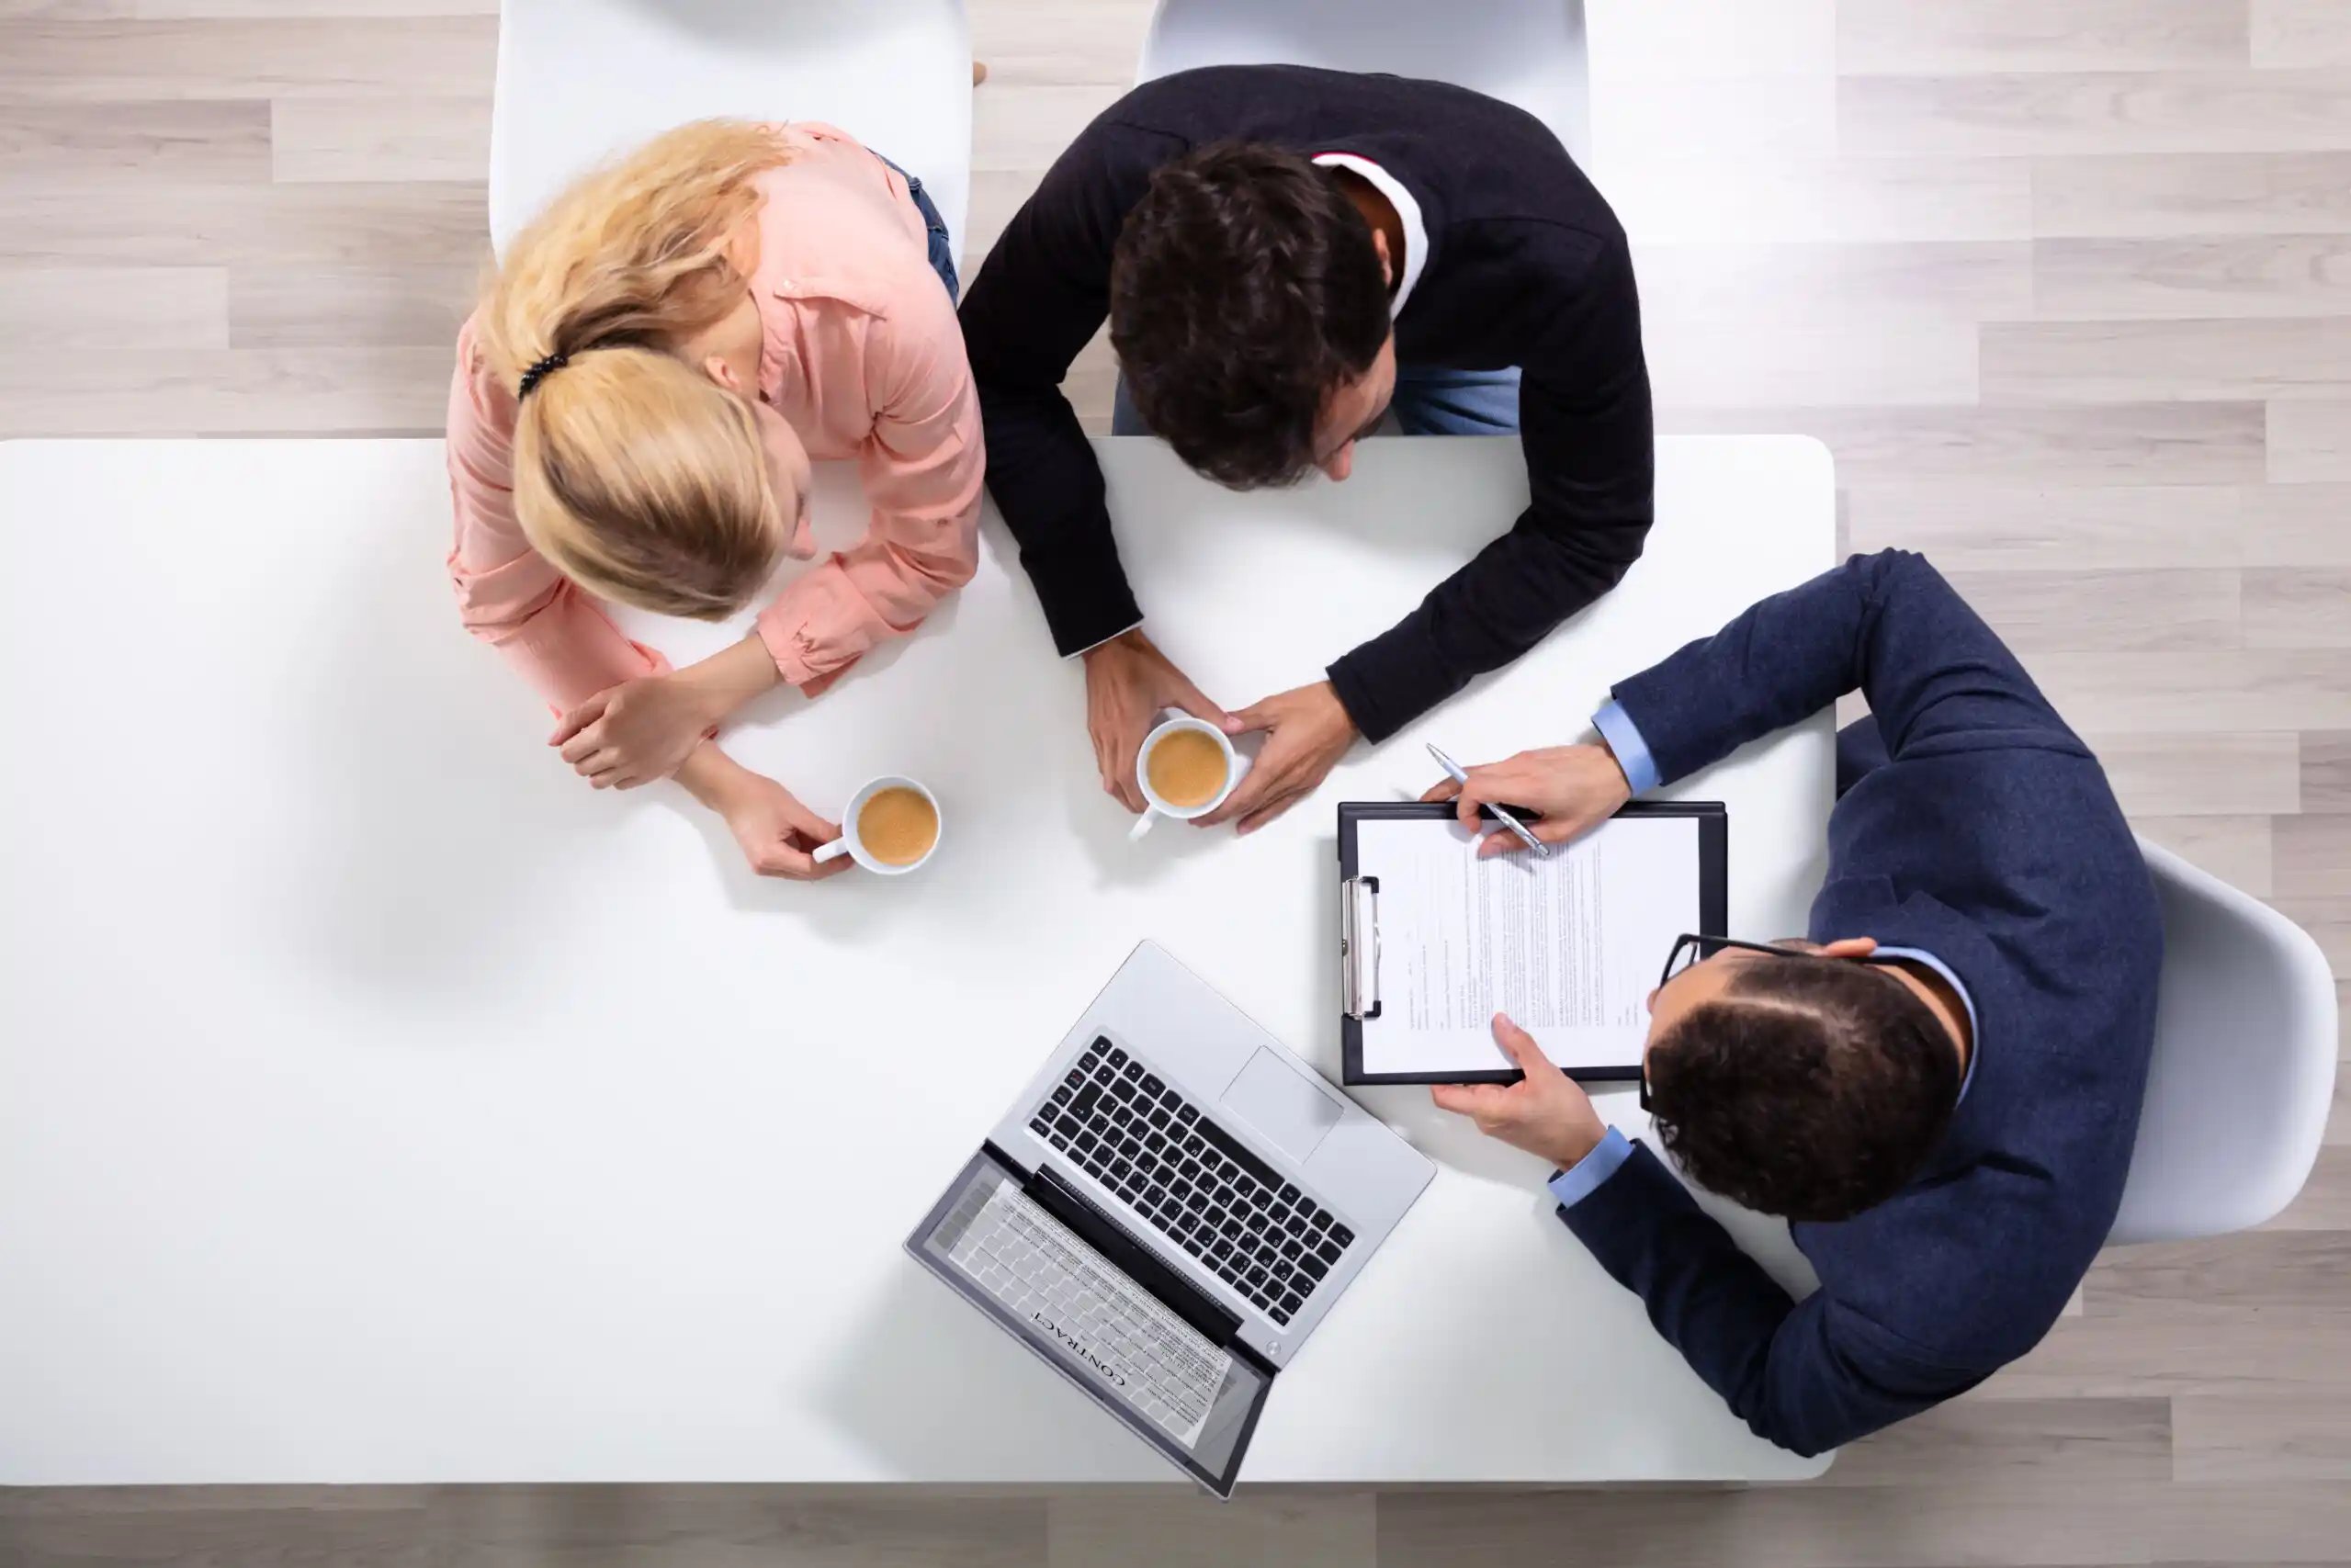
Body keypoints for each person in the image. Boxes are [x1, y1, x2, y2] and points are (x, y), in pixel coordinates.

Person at [1421, 549, 2163, 1455]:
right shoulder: (2018, 800)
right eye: (1696, 967)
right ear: (1847, 951)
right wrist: (1616, 760)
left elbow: (1781, 1396)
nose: (1651, 994)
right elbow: (1886, 596)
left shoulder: (1947, 1307)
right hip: (1930, 821)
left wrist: (1587, 1155)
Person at [959, 65, 1653, 833]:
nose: (1344, 472)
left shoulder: (1562, 258)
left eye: (1345, 432)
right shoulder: (1126, 171)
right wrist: (1100, 626)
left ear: (1380, 262)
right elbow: (989, 375)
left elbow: (1595, 528)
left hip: (1480, 316)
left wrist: (1358, 698)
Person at [446, 119, 982, 880]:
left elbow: (929, 553)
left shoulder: (890, 316)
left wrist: (696, 693)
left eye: (794, 503)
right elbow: (509, 606)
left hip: (866, 217)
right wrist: (722, 784)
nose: (809, 545)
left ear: (735, 388)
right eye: (803, 509)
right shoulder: (506, 376)